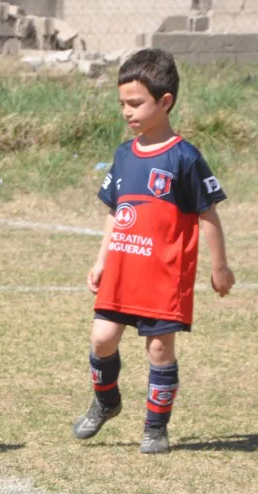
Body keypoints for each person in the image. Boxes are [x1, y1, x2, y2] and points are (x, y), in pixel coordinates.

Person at [73, 48, 233, 454]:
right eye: (122, 104)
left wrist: (220, 268)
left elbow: (208, 214)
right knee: (102, 339)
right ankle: (107, 402)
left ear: (165, 102)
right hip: (123, 271)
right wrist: (101, 260)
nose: (127, 112)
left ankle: (155, 428)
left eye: (135, 103)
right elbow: (116, 213)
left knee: (159, 348)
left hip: (164, 275)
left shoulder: (185, 157)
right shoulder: (124, 156)